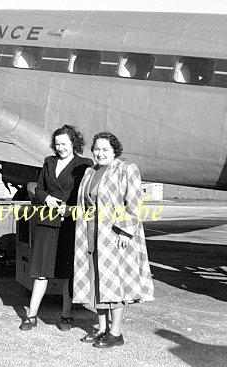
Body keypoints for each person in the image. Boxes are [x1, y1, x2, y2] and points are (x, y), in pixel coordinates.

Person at [73, 132, 154, 348]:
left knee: (114, 282)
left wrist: (126, 232)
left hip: (114, 235)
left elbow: (134, 202)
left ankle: (116, 333)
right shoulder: (90, 172)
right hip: (90, 234)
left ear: (115, 150)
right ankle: (102, 329)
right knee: (96, 281)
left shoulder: (126, 169)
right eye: (97, 149)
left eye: (105, 149)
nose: (100, 154)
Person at [19, 125, 93, 331]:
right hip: (47, 222)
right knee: (41, 272)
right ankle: (31, 316)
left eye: (64, 144)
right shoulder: (49, 162)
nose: (60, 148)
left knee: (67, 272)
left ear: (74, 144)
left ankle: (66, 316)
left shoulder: (84, 164)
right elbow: (38, 187)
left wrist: (70, 210)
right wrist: (47, 198)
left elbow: (87, 194)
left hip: (70, 224)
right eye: (57, 144)